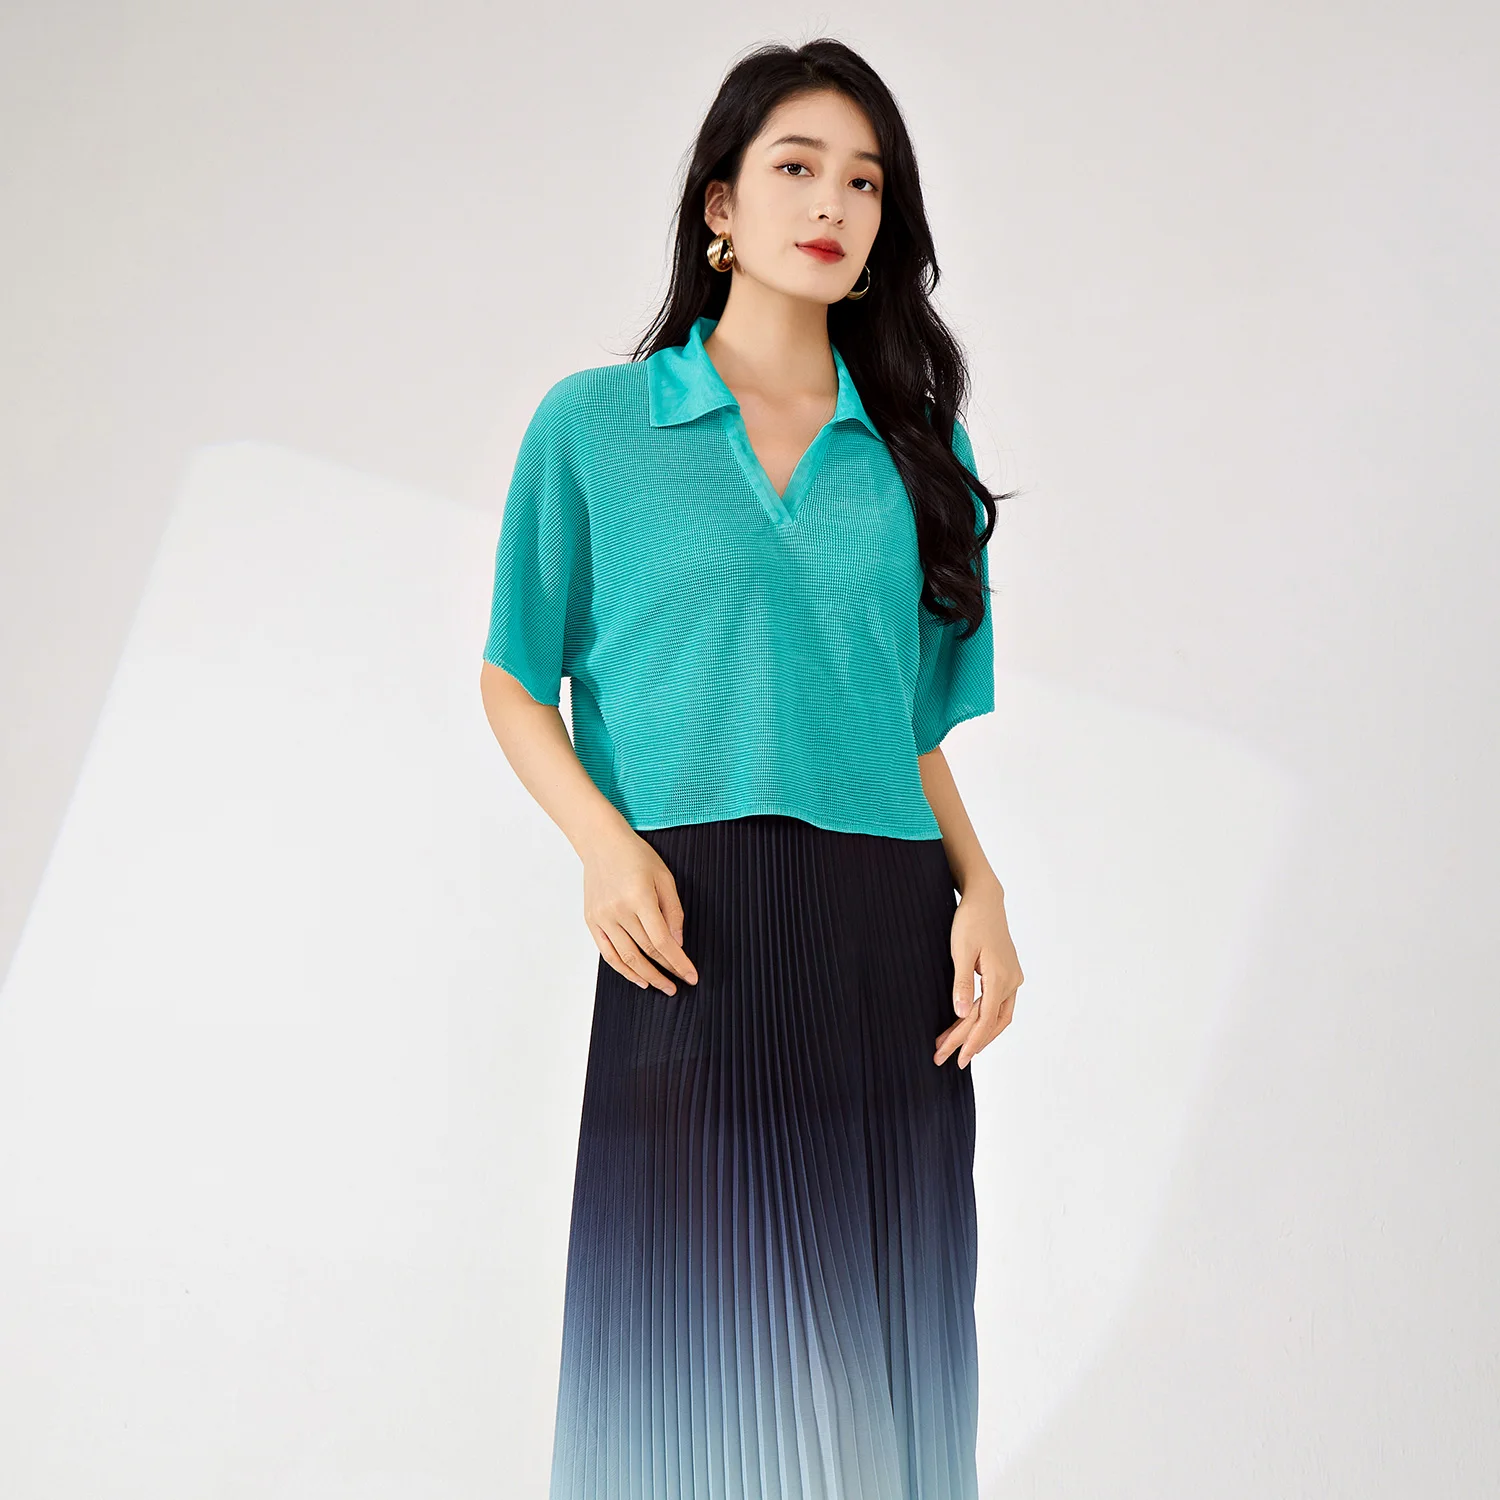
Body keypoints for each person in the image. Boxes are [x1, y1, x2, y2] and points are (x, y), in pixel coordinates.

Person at [479, 36, 1025, 1500]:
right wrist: (604, 845)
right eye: (796, 167)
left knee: (881, 1370)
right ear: (720, 204)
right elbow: (514, 677)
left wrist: (982, 892)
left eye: (865, 180)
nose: (831, 202)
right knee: (694, 1367)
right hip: (693, 924)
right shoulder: (596, 425)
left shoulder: (916, 451)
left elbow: (905, 726)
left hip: (888, 932)